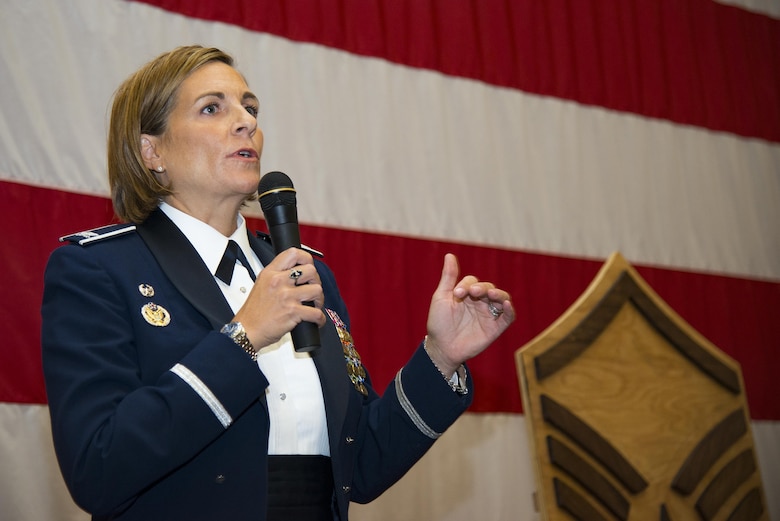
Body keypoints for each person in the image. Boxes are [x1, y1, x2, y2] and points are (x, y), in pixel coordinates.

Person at [41, 45, 515, 521]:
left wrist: (440, 357)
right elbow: (97, 467)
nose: (246, 122)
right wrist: (243, 337)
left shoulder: (305, 271)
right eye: (212, 108)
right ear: (153, 151)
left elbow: (362, 468)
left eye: (250, 107)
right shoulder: (100, 269)